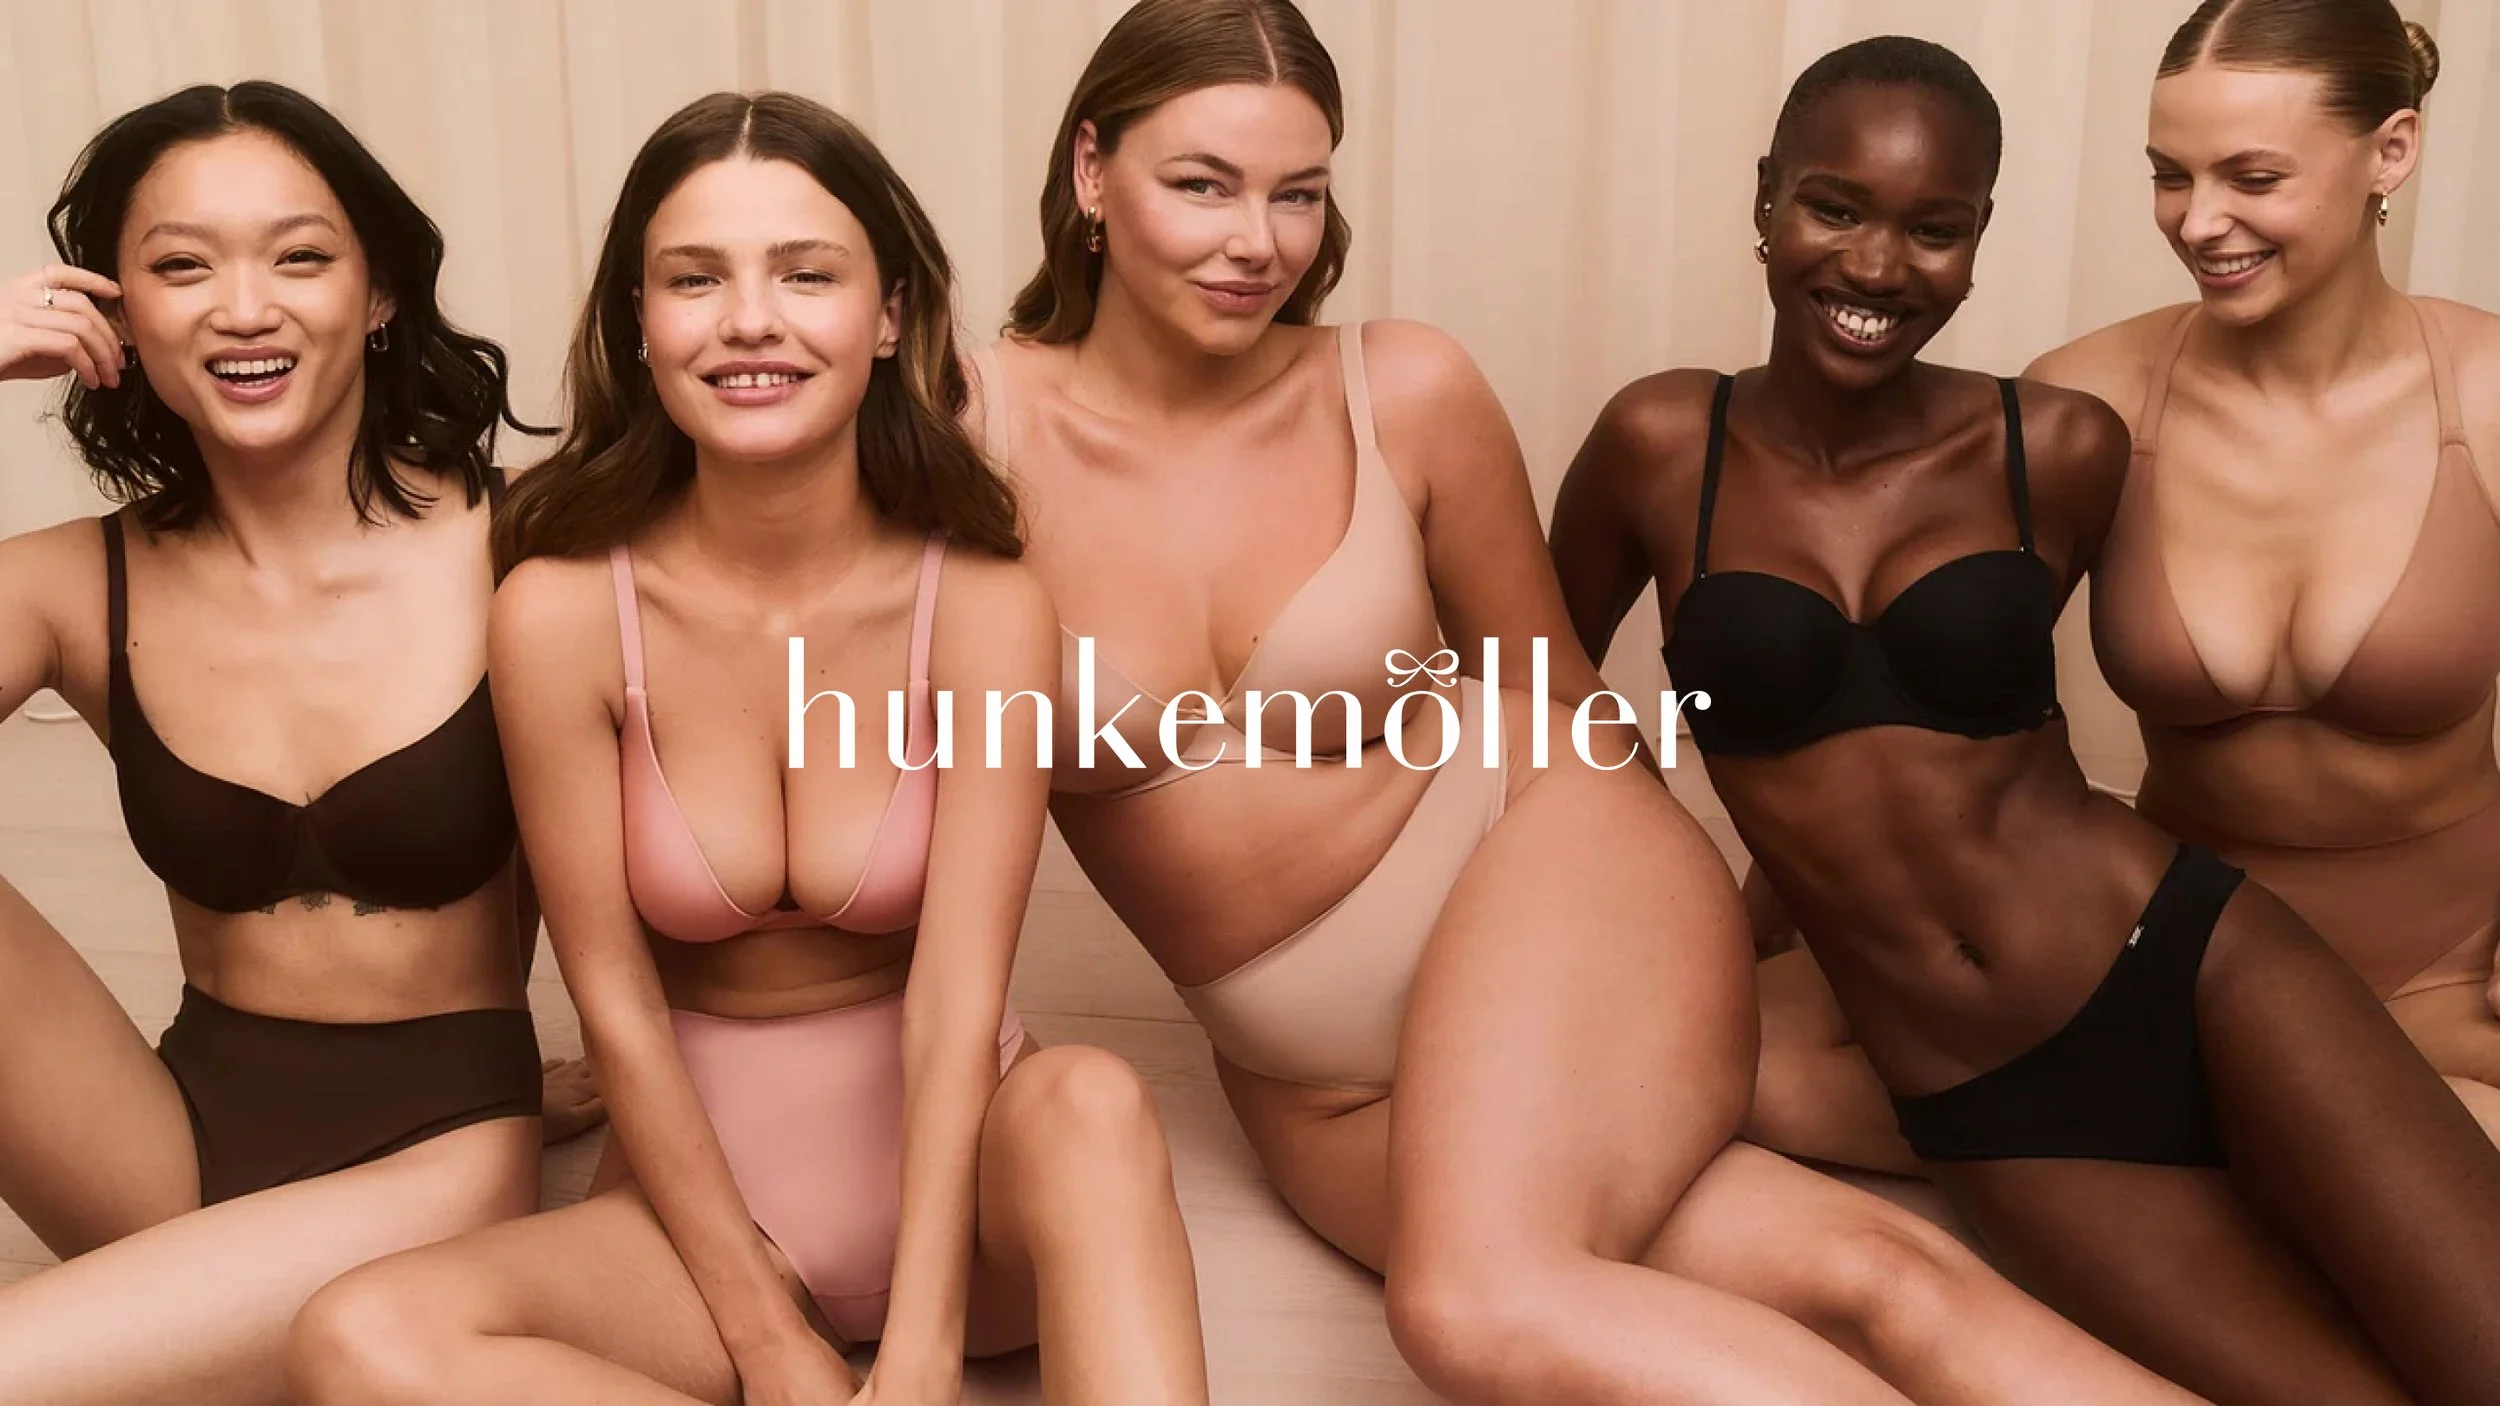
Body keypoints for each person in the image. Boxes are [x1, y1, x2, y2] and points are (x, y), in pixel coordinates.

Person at [971, 3, 2203, 1402]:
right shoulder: (969, 442)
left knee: (1478, 1306)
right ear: (1090, 171)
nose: (1257, 239)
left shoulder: (1401, 387)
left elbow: (1558, 704)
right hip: (1327, 1088)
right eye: (1201, 182)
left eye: (1298, 191)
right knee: (1870, 1273)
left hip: (1546, 864)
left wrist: (1663, 960)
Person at [1550, 32, 2500, 1406]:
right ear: (1766, 197)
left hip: (2197, 954)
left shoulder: (2049, 444)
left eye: (1937, 229)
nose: (1879, 267)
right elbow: (1544, 713)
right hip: (1992, 1104)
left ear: (1979, 237)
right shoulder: (1656, 444)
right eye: (1834, 207)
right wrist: (1668, 931)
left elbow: (1962, 742)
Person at [280, 90, 1213, 1406]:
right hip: (705, 1229)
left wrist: (927, 1344)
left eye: (807, 273)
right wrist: (768, 1339)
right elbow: (611, 997)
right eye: (694, 278)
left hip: (968, 1202)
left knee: (1099, 1103)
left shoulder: (989, 606)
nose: (751, 319)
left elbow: (958, 993)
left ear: (889, 313)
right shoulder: (560, 612)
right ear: (639, 324)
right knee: (357, 1338)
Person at [0, 80, 589, 1404]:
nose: (244, 306)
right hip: (170, 1139)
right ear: (119, 316)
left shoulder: (530, 540)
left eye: (300, 255)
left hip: (442, 1155)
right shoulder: (69, 584)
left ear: (377, 294)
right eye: (181, 267)